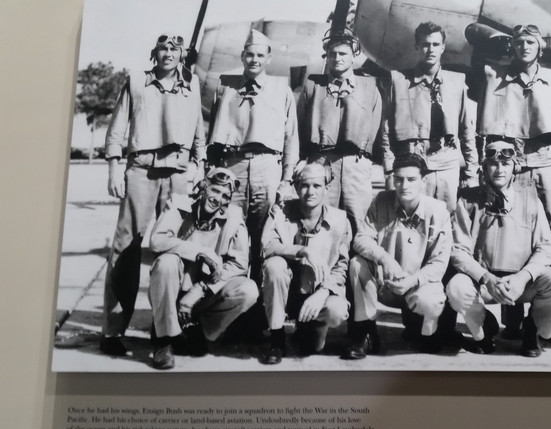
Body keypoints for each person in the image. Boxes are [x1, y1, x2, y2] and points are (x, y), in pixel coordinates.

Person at [100, 33, 206, 356]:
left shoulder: (192, 84)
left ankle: (166, 331)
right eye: (163, 48)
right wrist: (114, 169)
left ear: (181, 55)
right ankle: (112, 331)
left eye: (175, 49)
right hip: (141, 170)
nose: (169, 54)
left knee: (175, 249)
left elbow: (199, 127)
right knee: (126, 247)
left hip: (177, 173)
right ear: (154, 53)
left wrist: (200, 163)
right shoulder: (136, 82)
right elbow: (118, 128)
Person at [477, 23, 551, 339]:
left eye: (530, 42)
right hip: (513, 165)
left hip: (545, 164)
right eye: (519, 43)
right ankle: (512, 315)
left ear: (540, 46)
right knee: (512, 235)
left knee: (546, 239)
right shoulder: (499, 80)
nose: (524, 47)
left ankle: (538, 320)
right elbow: (489, 129)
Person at [447, 141, 551, 356]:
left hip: (523, 282)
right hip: (485, 282)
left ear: (515, 167)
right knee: (456, 288)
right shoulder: (468, 200)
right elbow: (458, 250)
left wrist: (523, 277)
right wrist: (486, 278)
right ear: (485, 168)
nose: (499, 169)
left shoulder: (531, 199)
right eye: (493, 164)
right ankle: (483, 329)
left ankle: (534, 328)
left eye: (505, 163)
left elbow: (546, 247)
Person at [207, 28, 299, 286]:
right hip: (232, 167)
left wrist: (287, 179)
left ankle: (259, 311)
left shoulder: (282, 90)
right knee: (227, 234)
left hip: (266, 169)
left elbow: (291, 138)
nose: (254, 60)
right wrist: (212, 171)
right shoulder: (225, 87)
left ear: (269, 58)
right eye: (249, 54)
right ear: (242, 56)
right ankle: (225, 299)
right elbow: (213, 131)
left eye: (260, 55)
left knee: (263, 239)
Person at [343, 153, 452, 359]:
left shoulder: (439, 211)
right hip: (387, 284)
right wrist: (385, 259)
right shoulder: (381, 200)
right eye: (399, 179)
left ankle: (427, 330)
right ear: (393, 179)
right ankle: (366, 332)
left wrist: (413, 279)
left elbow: (439, 263)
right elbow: (361, 239)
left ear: (423, 181)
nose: (404, 186)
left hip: (419, 285)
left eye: (411, 179)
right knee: (357, 264)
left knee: (431, 305)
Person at [147, 168, 258, 370]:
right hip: (171, 290)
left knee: (248, 289)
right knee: (166, 263)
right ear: (204, 186)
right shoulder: (179, 204)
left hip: (203, 295)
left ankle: (197, 330)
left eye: (225, 196)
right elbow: (156, 241)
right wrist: (200, 251)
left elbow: (240, 264)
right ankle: (164, 341)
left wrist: (200, 289)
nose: (218, 199)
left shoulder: (234, 217)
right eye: (215, 190)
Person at [259, 157, 352, 364]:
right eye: (305, 185)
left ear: (327, 188)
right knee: (274, 265)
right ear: (296, 187)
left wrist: (323, 293)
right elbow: (267, 247)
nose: (310, 192)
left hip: (315, 295)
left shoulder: (339, 220)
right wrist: (302, 250)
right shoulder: (280, 211)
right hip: (286, 294)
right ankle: (277, 338)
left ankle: (311, 328)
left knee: (336, 311)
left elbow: (341, 266)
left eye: (317, 186)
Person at [380, 21, 479, 213]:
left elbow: (467, 131)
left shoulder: (457, 82)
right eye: (425, 44)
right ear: (417, 46)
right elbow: (386, 132)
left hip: (447, 165)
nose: (430, 50)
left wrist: (472, 173)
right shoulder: (398, 81)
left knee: (446, 220)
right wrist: (390, 170)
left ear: (443, 47)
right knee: (410, 220)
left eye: (435, 44)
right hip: (411, 164)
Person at [297, 27, 382, 231]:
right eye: (332, 54)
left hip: (357, 165)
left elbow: (376, 126)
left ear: (354, 56)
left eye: (343, 53)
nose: (337, 58)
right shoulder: (313, 86)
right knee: (323, 222)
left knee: (360, 222)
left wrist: (366, 160)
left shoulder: (370, 88)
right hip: (322, 163)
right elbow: (300, 125)